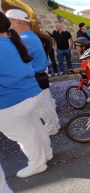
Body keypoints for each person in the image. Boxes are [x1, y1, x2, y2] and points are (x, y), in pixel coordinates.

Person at [0, 11, 52, 178]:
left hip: (11, 100)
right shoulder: (14, 41)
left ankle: (37, 164)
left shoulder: (17, 39)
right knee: (36, 126)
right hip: (31, 91)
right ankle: (47, 153)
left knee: (26, 135)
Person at [7, 9, 60, 136]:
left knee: (42, 105)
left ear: (16, 22)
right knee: (46, 102)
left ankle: (52, 127)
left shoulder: (23, 39)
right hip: (40, 73)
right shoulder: (30, 36)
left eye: (9, 23)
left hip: (34, 76)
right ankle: (54, 124)